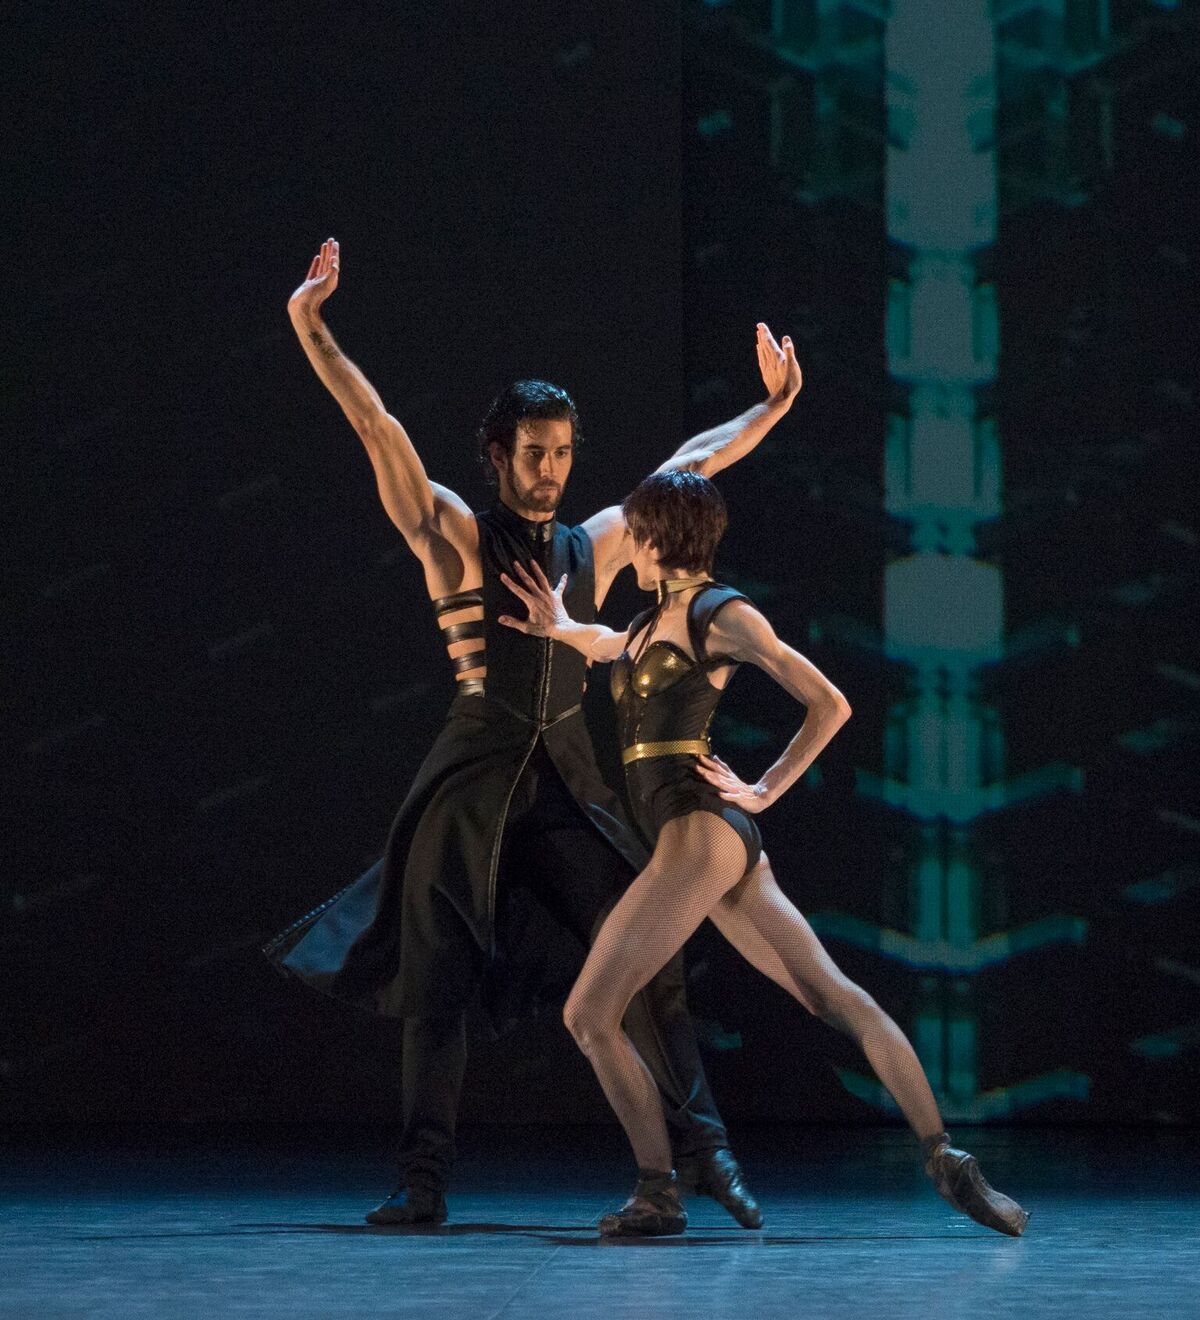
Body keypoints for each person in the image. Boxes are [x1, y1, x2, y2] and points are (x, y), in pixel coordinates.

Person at [263, 238, 804, 1227]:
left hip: (568, 780)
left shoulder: (591, 543)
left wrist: (768, 409)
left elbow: (689, 466)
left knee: (650, 960)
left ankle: (709, 1156)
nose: (551, 470)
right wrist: (310, 323)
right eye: (534, 454)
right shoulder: (458, 536)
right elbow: (375, 426)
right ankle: (420, 1183)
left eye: (562, 454)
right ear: (499, 454)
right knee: (435, 982)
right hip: (470, 775)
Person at [498, 469, 1031, 1239]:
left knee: (588, 1014)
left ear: (657, 538)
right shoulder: (654, 623)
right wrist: (557, 627)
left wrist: (767, 787)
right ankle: (944, 1157)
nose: (626, 553)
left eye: (635, 536)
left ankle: (656, 1192)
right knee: (831, 994)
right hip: (712, 848)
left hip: (698, 832)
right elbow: (609, 645)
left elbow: (829, 701)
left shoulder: (722, 612)